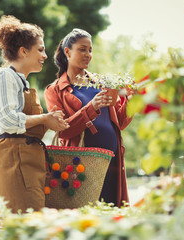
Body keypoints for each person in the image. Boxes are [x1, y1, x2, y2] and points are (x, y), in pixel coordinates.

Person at [0, 15, 69, 214]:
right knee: (22, 228)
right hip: (12, 166)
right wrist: (44, 119)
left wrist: (50, 119)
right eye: (40, 49)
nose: (45, 55)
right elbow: (8, 121)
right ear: (23, 51)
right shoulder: (6, 76)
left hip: (26, 166)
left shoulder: (22, 82)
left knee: (32, 227)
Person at [44, 28, 133, 207]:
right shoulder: (54, 90)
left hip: (113, 160)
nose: (88, 54)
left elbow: (120, 123)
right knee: (85, 214)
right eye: (83, 49)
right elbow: (63, 131)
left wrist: (131, 100)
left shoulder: (103, 84)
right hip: (82, 163)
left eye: (90, 50)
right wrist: (91, 107)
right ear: (67, 52)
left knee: (112, 212)